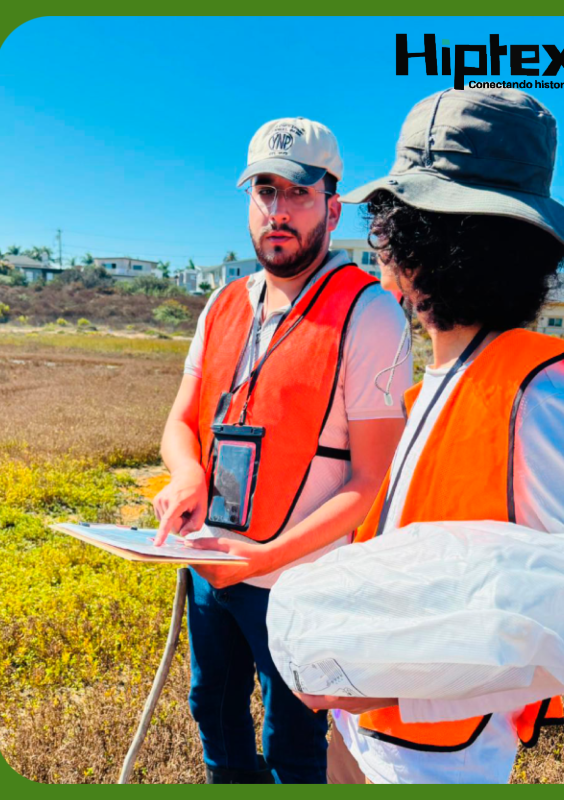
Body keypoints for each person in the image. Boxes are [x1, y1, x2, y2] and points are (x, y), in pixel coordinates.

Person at [296, 88, 564, 784]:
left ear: (411, 239)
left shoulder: (533, 399)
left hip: (435, 765)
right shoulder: (431, 389)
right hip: (360, 734)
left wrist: (401, 682)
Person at [152, 117, 410, 783]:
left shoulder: (369, 313)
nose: (277, 211)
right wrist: (185, 478)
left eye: (296, 194)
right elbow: (182, 422)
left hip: (301, 579)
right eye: (263, 192)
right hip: (212, 561)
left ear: (332, 203)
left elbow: (369, 479)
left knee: (294, 739)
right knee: (212, 706)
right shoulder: (223, 304)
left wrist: (265, 559)